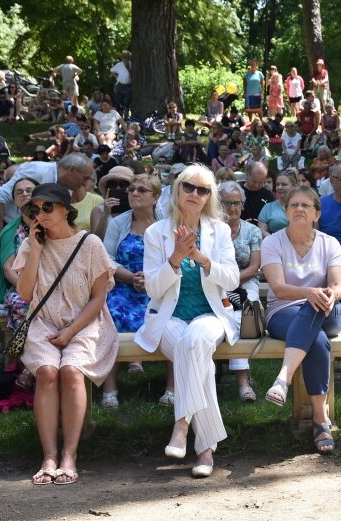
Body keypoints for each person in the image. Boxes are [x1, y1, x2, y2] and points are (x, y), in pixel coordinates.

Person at [134, 165, 240, 478]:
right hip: (168, 317)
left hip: (211, 314)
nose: (195, 194)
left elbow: (232, 279)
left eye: (203, 190)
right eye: (189, 187)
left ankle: (181, 425)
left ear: (210, 197)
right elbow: (152, 288)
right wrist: (176, 258)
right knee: (189, 348)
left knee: (194, 341)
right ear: (178, 190)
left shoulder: (218, 231)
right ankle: (205, 448)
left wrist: (203, 259)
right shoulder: (156, 232)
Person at [15, 183, 118, 485]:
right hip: (43, 322)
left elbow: (99, 297)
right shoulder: (32, 243)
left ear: (65, 210)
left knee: (71, 371)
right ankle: (49, 456)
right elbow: (24, 293)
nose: (41, 213)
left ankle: (69, 456)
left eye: (47, 207)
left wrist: (72, 330)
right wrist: (35, 250)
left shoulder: (90, 245)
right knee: (47, 372)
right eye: (35, 209)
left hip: (87, 322)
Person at [260, 186, 341, 453]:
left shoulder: (329, 243)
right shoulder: (272, 242)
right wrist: (309, 293)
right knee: (316, 340)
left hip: (328, 311)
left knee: (317, 303)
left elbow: (337, 286)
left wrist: (328, 295)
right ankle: (321, 419)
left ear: (316, 213)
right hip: (283, 312)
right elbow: (279, 288)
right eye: (294, 205)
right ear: (285, 212)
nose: (299, 209)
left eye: (306, 205)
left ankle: (283, 378)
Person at [99, 173, 163, 408]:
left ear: (156, 198)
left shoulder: (167, 223)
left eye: (142, 190)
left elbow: (176, 258)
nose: (134, 193)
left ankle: (172, 389)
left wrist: (152, 278)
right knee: (111, 316)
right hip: (123, 285)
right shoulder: (119, 222)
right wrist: (129, 277)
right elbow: (107, 258)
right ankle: (110, 388)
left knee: (171, 317)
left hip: (159, 288)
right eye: (132, 189)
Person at [219, 181, 263, 401]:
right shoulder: (209, 229)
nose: (232, 208)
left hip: (245, 282)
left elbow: (254, 267)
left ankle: (242, 380)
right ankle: (240, 379)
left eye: (236, 203)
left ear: (243, 205)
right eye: (226, 203)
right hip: (216, 283)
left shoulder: (252, 231)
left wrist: (231, 281)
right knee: (226, 313)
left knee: (244, 315)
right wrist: (223, 282)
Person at [0, 153, 94, 238]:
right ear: (71, 170)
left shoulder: (69, 188)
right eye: (85, 178)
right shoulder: (36, 170)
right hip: (8, 228)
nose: (85, 183)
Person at [0, 177, 39, 334]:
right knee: (22, 304)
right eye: (19, 192)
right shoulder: (9, 231)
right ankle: (25, 353)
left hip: (51, 283)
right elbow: (8, 269)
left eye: (29, 190)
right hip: (20, 288)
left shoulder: (51, 226)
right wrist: (32, 291)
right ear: (14, 200)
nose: (24, 194)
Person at [258, 169, 298, 237]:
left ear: (294, 186)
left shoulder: (303, 206)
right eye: (277, 184)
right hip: (273, 245)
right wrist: (276, 242)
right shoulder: (268, 207)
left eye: (284, 184)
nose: (279, 187)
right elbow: (261, 230)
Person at [110, 50, 132, 118]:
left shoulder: (131, 64)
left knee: (126, 103)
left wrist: (127, 67)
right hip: (119, 85)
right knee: (117, 103)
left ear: (128, 57)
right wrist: (116, 77)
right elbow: (111, 70)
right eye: (123, 57)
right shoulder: (119, 64)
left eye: (126, 57)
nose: (124, 58)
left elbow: (133, 75)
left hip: (128, 86)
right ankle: (118, 118)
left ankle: (126, 118)